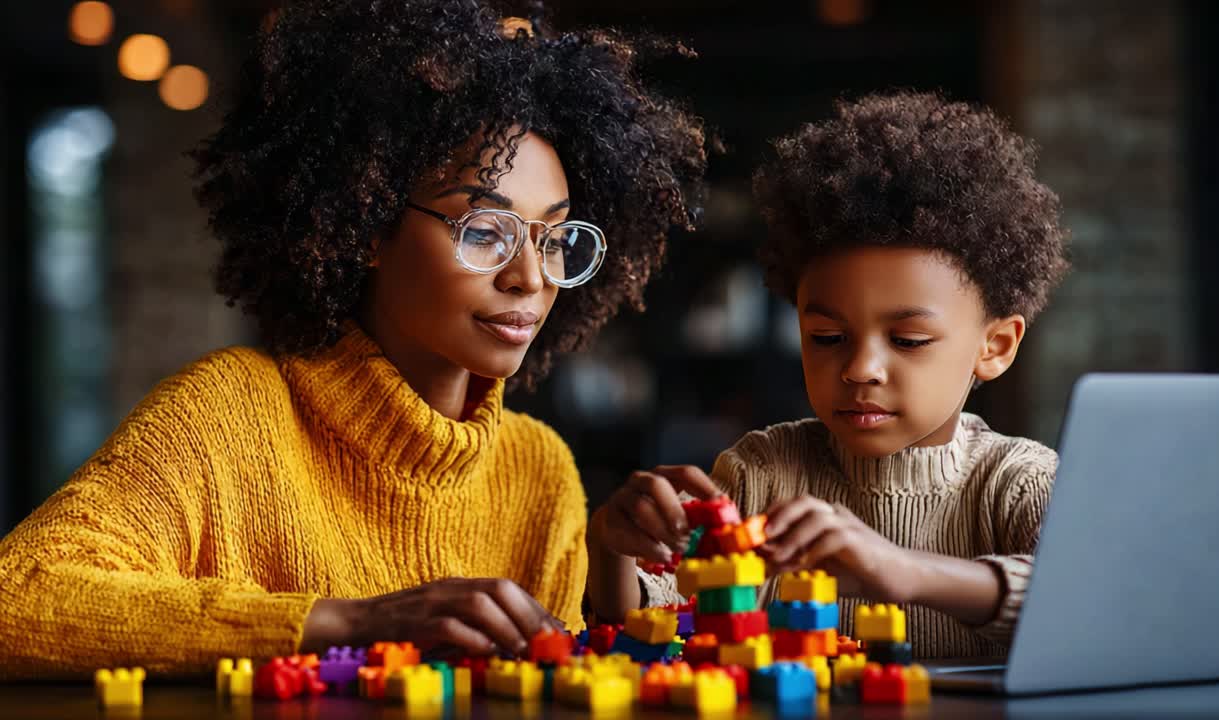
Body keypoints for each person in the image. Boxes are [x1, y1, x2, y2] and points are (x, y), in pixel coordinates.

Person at [0, 0, 708, 678]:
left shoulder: (539, 472)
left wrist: (618, 570)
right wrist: (351, 623)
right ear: (368, 226)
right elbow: (19, 596)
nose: (529, 277)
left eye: (553, 239)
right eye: (484, 231)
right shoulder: (225, 417)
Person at [588, 91, 1069, 659]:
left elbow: (1090, 608)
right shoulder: (758, 475)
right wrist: (612, 550)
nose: (861, 369)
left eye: (908, 341)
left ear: (995, 346)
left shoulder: (1018, 484)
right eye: (827, 338)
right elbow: (658, 625)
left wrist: (904, 571)